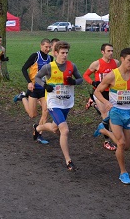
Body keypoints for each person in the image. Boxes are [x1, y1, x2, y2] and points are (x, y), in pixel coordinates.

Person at [93, 48, 130, 184]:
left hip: (128, 113)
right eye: (129, 60)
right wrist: (106, 102)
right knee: (120, 143)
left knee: (127, 146)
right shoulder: (112, 75)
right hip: (115, 112)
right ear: (122, 59)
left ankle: (103, 129)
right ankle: (123, 173)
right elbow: (97, 91)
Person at [34, 41, 83, 170]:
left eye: (67, 53)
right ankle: (68, 160)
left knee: (55, 128)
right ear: (55, 53)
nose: (65, 55)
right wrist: (45, 85)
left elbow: (81, 79)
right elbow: (37, 78)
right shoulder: (48, 67)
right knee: (64, 130)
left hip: (66, 102)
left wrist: (74, 81)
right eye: (62, 53)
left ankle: (38, 128)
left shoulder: (72, 66)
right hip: (53, 102)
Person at [13, 38, 53, 144]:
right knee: (32, 115)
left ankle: (38, 132)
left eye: (49, 47)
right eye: (46, 47)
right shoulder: (35, 56)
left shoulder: (51, 58)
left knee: (46, 111)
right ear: (41, 46)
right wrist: (29, 82)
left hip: (44, 89)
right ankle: (23, 97)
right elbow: (24, 68)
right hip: (34, 89)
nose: (48, 49)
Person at [83, 43, 120, 151]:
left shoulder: (116, 63)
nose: (111, 53)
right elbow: (85, 75)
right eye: (108, 51)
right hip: (100, 92)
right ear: (102, 52)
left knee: (113, 114)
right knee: (105, 115)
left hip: (112, 92)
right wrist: (93, 82)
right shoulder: (96, 64)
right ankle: (107, 141)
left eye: (112, 51)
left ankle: (92, 102)